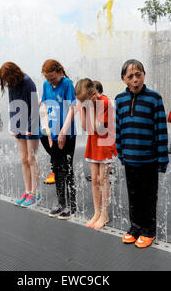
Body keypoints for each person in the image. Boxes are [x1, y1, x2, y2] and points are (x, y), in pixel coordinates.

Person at [115, 59, 169, 248]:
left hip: (149, 160)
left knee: (148, 196)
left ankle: (148, 230)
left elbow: (161, 129)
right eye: (130, 76)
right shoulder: (119, 100)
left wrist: (162, 158)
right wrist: (120, 153)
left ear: (144, 75)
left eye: (138, 75)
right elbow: (118, 128)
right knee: (133, 195)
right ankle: (135, 227)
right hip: (129, 159)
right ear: (124, 79)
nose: (135, 79)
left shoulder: (154, 98)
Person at [75, 78, 117, 229]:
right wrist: (83, 109)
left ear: (92, 94)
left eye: (84, 100)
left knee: (103, 179)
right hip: (93, 143)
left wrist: (90, 109)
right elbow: (85, 127)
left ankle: (104, 214)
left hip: (105, 143)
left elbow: (99, 127)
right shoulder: (87, 104)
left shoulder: (105, 103)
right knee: (94, 179)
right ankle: (96, 212)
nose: (82, 103)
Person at [0, 62, 41, 208]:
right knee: (23, 159)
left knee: (31, 159)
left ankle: (35, 193)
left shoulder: (28, 81)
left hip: (32, 125)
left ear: (14, 73)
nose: (6, 82)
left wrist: (30, 128)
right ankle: (27, 191)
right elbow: (13, 105)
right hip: (19, 125)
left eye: (7, 78)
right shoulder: (12, 85)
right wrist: (14, 127)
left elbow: (34, 106)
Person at [40, 59, 77, 220]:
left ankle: (72, 205)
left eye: (52, 78)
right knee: (56, 168)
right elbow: (46, 109)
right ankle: (61, 202)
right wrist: (48, 133)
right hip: (53, 133)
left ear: (60, 72)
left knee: (67, 168)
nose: (50, 81)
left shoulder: (67, 83)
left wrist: (63, 131)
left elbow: (72, 109)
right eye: (47, 78)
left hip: (67, 134)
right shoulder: (46, 86)